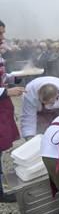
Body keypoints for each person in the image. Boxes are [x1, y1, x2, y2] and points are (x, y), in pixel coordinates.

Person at [0, 20, 25, 202]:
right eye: (0, 34)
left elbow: (3, 76)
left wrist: (16, 77)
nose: (2, 38)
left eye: (3, 33)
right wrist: (6, 91)